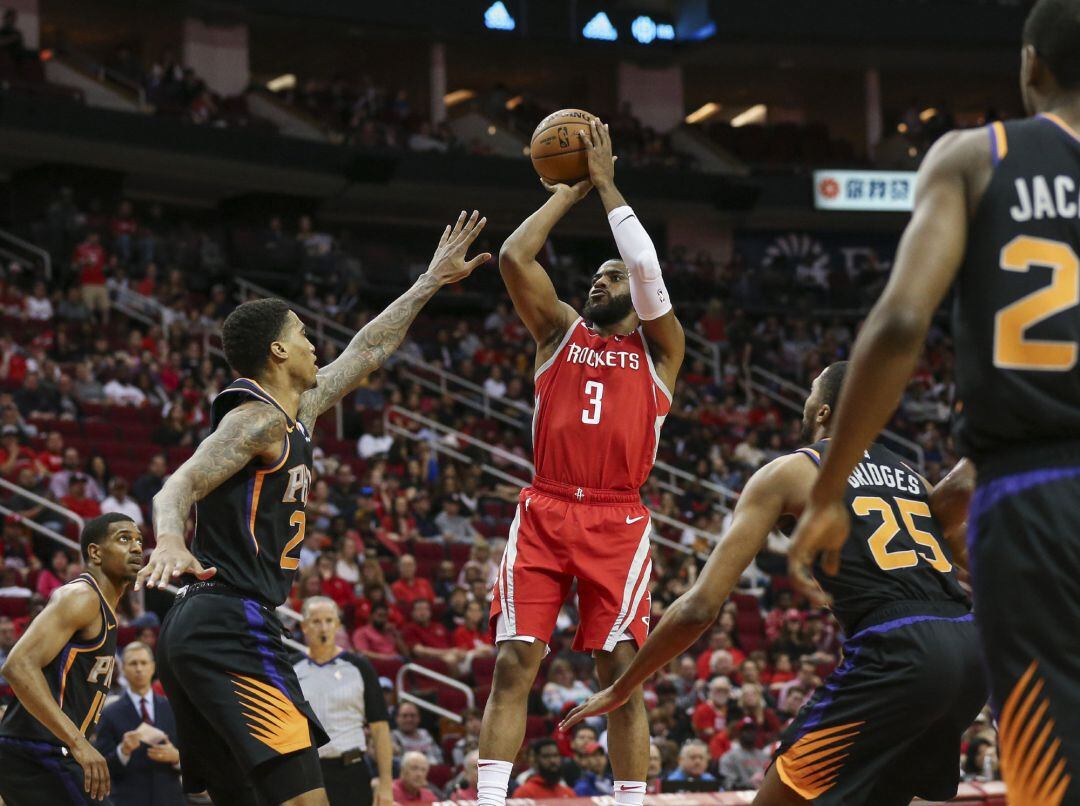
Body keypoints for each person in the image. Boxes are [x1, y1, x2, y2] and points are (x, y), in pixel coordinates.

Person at [787, 2, 1080, 802]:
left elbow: (903, 319)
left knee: (1049, 761)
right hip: (1018, 482)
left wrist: (828, 488)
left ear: (1030, 65)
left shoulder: (976, 155)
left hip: (1032, 491)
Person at [136, 211, 490, 806]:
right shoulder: (258, 419)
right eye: (302, 333)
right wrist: (169, 539)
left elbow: (369, 348)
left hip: (204, 626)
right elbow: (177, 484)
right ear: (278, 349)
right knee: (305, 798)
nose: (313, 342)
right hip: (230, 622)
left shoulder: (300, 407)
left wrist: (429, 282)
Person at [563, 362, 987, 805]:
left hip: (901, 650)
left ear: (822, 412)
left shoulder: (789, 473)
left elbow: (699, 609)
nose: (805, 402)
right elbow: (963, 568)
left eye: (810, 392)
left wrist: (622, 686)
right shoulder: (911, 476)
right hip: (968, 646)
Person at [479, 118, 684, 806]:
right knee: (514, 664)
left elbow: (649, 270)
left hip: (617, 518)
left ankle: (628, 802)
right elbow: (514, 256)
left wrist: (605, 183)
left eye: (610, 274)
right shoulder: (558, 331)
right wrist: (567, 190)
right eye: (593, 275)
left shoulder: (661, 353)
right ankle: (486, 800)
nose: (598, 282)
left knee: (621, 673)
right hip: (544, 506)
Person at [0, 514, 143, 805]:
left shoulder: (106, 610)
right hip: (37, 749)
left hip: (49, 749)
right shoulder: (81, 597)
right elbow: (17, 666)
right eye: (124, 539)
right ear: (95, 552)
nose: (138, 547)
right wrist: (79, 744)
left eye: (140, 540)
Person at [293, 597, 393, 806]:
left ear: (338, 625)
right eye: (316, 621)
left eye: (329, 620)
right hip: (307, 775)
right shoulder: (291, 669)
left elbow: (380, 729)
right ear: (304, 626)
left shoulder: (360, 667)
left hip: (352, 771)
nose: (324, 627)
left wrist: (385, 784)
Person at [93, 642, 184, 806]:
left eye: (143, 663)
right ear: (123, 669)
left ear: (153, 667)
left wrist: (177, 757)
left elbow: (195, 757)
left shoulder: (173, 709)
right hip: (127, 800)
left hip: (171, 799)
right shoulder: (109, 713)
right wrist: (123, 751)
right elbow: (101, 768)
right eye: (133, 663)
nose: (139, 669)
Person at [511, 738, 576, 799]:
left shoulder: (569, 793)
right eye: (546, 756)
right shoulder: (524, 793)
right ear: (535, 760)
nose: (552, 760)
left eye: (556, 755)